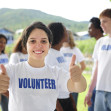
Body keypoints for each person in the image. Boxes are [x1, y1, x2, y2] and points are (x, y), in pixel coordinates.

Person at [0, 21, 87, 111]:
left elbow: (80, 87)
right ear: (25, 45)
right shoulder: (13, 70)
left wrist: (78, 79)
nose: (38, 45)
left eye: (43, 41)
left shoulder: (56, 73)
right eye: (33, 41)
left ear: (49, 45)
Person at [45, 22, 77, 111]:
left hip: (66, 99)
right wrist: (59, 108)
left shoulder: (59, 53)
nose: (67, 33)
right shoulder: (49, 55)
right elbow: (48, 86)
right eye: (65, 31)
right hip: (57, 103)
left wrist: (72, 101)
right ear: (60, 34)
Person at [84, 8, 111, 111]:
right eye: (100, 22)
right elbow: (97, 68)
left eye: (105, 21)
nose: (101, 25)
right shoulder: (100, 42)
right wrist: (90, 91)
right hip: (100, 91)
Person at [60, 30, 86, 107]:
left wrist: (76, 76)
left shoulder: (75, 49)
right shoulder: (59, 49)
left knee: (72, 106)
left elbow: (83, 66)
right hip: (61, 83)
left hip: (73, 83)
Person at [84, 17, 104, 111]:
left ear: (98, 29)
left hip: (101, 85)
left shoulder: (104, 44)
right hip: (95, 84)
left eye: (90, 28)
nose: (88, 31)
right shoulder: (98, 43)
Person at [0, 34, 9, 111]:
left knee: (6, 107)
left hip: (5, 85)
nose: (2, 44)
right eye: (0, 42)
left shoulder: (5, 55)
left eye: (4, 42)